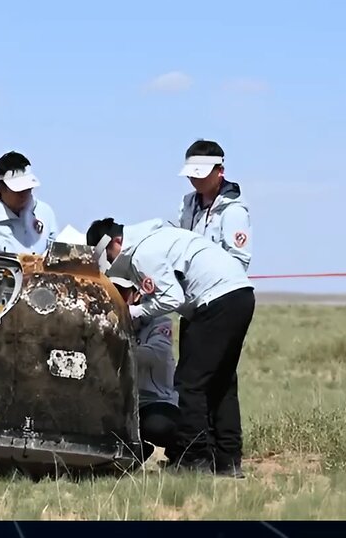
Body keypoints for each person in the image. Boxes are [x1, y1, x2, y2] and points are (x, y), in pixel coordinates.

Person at [91, 216, 255, 478]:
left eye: (108, 257)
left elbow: (172, 297)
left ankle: (194, 460)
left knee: (191, 383)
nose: (110, 264)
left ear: (117, 242)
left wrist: (134, 311)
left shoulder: (142, 253)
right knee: (222, 382)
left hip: (215, 300)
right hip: (240, 294)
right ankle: (227, 460)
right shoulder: (157, 237)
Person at [109, 275, 179, 465]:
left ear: (136, 295)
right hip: (121, 405)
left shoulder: (159, 322)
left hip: (156, 400)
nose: (117, 297)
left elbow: (156, 353)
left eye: (122, 292)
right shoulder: (106, 322)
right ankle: (134, 454)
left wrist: (114, 349)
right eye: (112, 291)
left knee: (157, 427)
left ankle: (181, 452)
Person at [177, 139, 252, 271]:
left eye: (201, 175)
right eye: (191, 175)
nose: (195, 180)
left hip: (221, 288)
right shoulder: (187, 204)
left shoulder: (234, 211)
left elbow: (239, 262)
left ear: (220, 171)